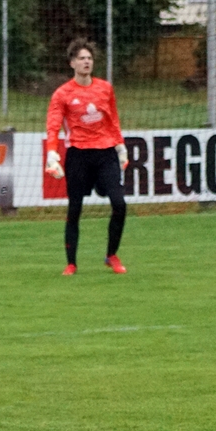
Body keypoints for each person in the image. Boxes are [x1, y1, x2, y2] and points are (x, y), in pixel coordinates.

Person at [44, 38, 129, 276]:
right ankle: (71, 263)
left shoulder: (105, 88)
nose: (86, 62)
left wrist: (120, 147)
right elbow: (53, 126)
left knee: (119, 204)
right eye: (81, 58)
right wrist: (52, 154)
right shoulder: (62, 94)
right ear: (72, 63)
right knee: (75, 209)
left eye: (89, 58)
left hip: (105, 153)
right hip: (78, 155)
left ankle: (111, 255)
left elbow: (113, 120)